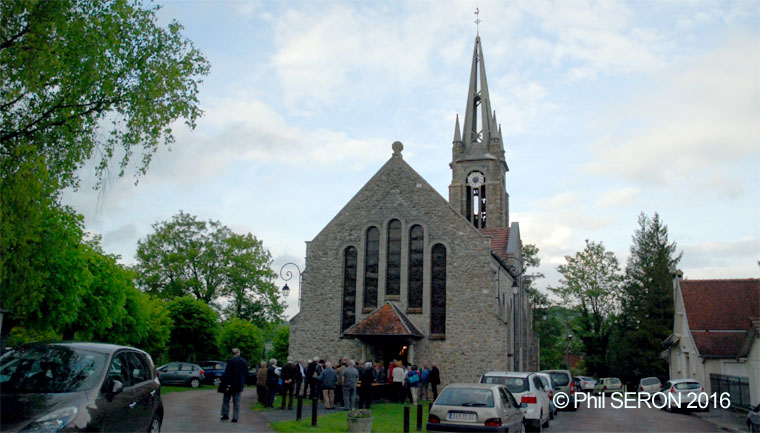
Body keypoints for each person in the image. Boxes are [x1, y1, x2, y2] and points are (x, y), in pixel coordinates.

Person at [220, 348, 249, 423]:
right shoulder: (243, 361)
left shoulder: (230, 361)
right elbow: (246, 373)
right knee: (237, 401)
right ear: (238, 353)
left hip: (230, 384)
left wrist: (226, 383)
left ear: (233, 353)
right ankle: (235, 417)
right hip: (238, 384)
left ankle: (225, 414)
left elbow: (227, 373)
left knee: (226, 399)